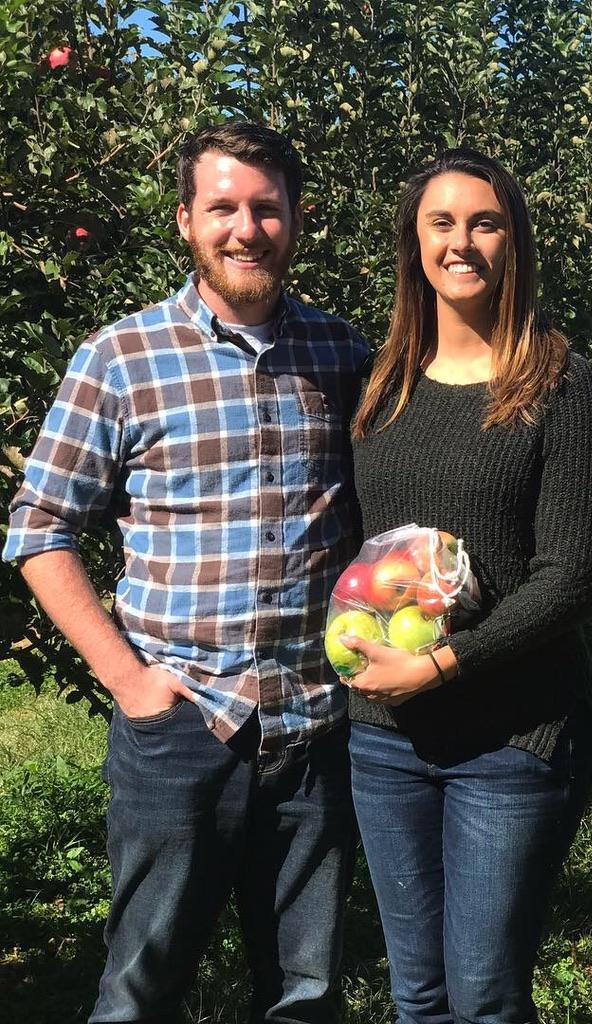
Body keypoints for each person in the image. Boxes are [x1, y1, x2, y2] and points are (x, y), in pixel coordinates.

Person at [3, 121, 368, 1023]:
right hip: (180, 725)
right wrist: (129, 683)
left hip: (315, 725)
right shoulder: (120, 359)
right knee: (139, 988)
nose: (246, 228)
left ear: (296, 219)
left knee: (306, 993)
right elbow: (40, 529)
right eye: (224, 208)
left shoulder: (344, 354)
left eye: (267, 208)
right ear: (185, 221)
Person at [341, 148, 592, 1024]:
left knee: (487, 995)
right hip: (384, 739)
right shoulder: (379, 384)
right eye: (442, 223)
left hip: (511, 737)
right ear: (414, 243)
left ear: (515, 242)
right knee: (418, 994)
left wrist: (442, 665)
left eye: (485, 222)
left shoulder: (559, 385)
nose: (463, 244)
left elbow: (568, 576)